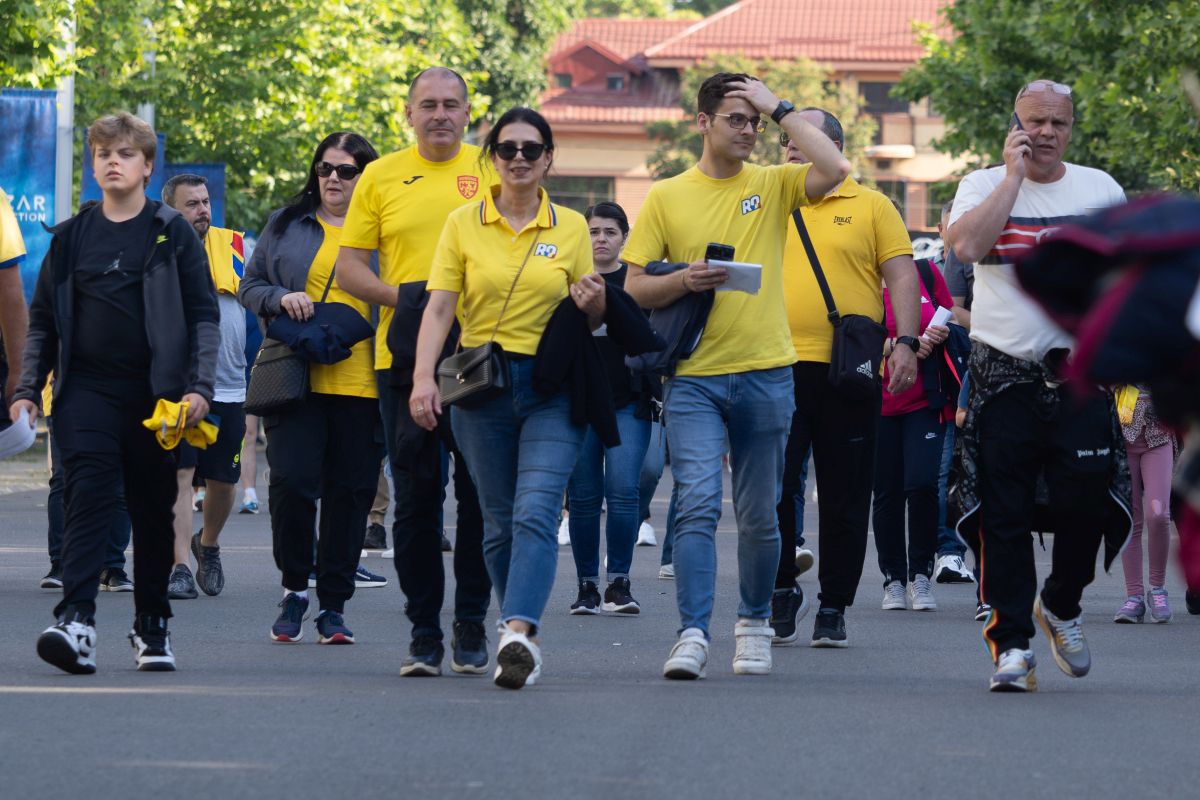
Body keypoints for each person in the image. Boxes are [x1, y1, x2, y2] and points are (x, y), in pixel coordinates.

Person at [623, 74, 871, 680]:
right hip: (694, 377)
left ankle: (755, 623)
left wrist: (778, 106)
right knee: (697, 504)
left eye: (754, 122)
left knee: (761, 514)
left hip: (766, 373)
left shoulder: (772, 183)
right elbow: (633, 288)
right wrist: (684, 278)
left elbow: (836, 166)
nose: (748, 130)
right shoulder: (667, 195)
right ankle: (692, 633)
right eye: (736, 118)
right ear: (702, 122)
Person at [12, 112, 218, 673]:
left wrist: (199, 387)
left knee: (151, 511)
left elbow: (203, 316)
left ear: (148, 166)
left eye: (125, 153)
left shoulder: (171, 231)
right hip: (85, 392)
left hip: (157, 398)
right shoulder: (72, 236)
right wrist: (28, 387)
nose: (112, 161)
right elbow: (42, 322)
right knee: (87, 497)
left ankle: (151, 625)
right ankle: (76, 621)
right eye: (103, 153)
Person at [947, 79, 1129, 692]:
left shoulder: (1100, 189)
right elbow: (966, 246)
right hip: (1003, 374)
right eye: (1034, 121)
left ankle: (1061, 603)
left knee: (1087, 502)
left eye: (1058, 123)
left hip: (1079, 374)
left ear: (1071, 128)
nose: (1046, 132)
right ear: (1015, 125)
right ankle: (1012, 646)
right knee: (1005, 513)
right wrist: (1012, 178)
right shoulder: (982, 185)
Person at [409, 106, 600, 689]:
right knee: (497, 523)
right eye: (508, 148)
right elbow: (440, 307)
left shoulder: (572, 226)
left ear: (548, 158)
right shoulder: (463, 222)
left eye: (531, 149)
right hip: (480, 386)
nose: (519, 158)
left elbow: (590, 317)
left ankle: (517, 632)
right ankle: (520, 632)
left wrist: (594, 302)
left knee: (535, 511)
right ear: (492, 158)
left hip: (551, 387)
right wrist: (422, 378)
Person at [336, 67, 493, 676]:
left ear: (468, 112)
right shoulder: (379, 175)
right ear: (408, 113)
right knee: (417, 500)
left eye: (452, 104)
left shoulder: (493, 168)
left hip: (479, 352)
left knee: (479, 498)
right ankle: (424, 630)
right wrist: (404, 299)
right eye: (428, 105)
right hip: (402, 358)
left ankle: (470, 622)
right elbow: (350, 269)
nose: (440, 115)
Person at [766, 108, 920, 647]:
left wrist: (906, 342)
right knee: (773, 490)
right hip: (771, 365)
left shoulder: (873, 205)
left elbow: (902, 274)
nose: (790, 147)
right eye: (785, 140)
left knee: (846, 493)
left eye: (801, 137)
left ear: (833, 147)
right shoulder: (767, 200)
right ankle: (780, 586)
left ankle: (833, 605)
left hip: (847, 370)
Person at [239, 131, 381, 645]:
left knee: (350, 495)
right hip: (295, 377)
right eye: (325, 168)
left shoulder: (387, 231)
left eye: (346, 170)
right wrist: (281, 297)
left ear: (366, 176)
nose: (333, 178)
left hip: (365, 383)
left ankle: (334, 606)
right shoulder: (287, 223)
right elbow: (249, 285)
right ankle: (295, 588)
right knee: (292, 485)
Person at [565, 201, 654, 616]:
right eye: (593, 231)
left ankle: (619, 583)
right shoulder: (569, 279)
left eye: (609, 232)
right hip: (577, 404)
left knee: (623, 491)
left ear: (624, 238)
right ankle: (587, 586)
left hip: (628, 402)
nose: (600, 239)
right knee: (583, 497)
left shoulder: (636, 282)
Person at [162, 174, 247, 599]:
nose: (203, 210)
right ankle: (178, 565)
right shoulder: (159, 247)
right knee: (179, 475)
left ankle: (207, 544)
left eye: (206, 202)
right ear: (171, 210)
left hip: (229, 384)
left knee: (223, 480)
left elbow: (255, 295)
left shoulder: (233, 244)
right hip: (177, 386)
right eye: (192, 204)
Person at [874, 261, 954, 612]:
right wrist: (899, 345)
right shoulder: (862, 276)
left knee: (922, 485)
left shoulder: (925, 272)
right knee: (887, 492)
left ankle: (920, 574)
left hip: (925, 399)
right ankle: (893, 579)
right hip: (877, 403)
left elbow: (949, 313)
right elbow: (849, 335)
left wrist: (940, 333)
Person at [932, 199, 976, 584]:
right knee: (951, 467)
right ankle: (949, 551)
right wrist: (995, 327)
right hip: (963, 370)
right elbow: (951, 309)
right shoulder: (955, 260)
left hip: (1020, 368)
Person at [1113, 386, 1176, 623]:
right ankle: (1134, 597)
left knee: (1158, 515)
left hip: (1158, 435)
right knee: (1129, 518)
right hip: (1121, 436)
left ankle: (1157, 590)